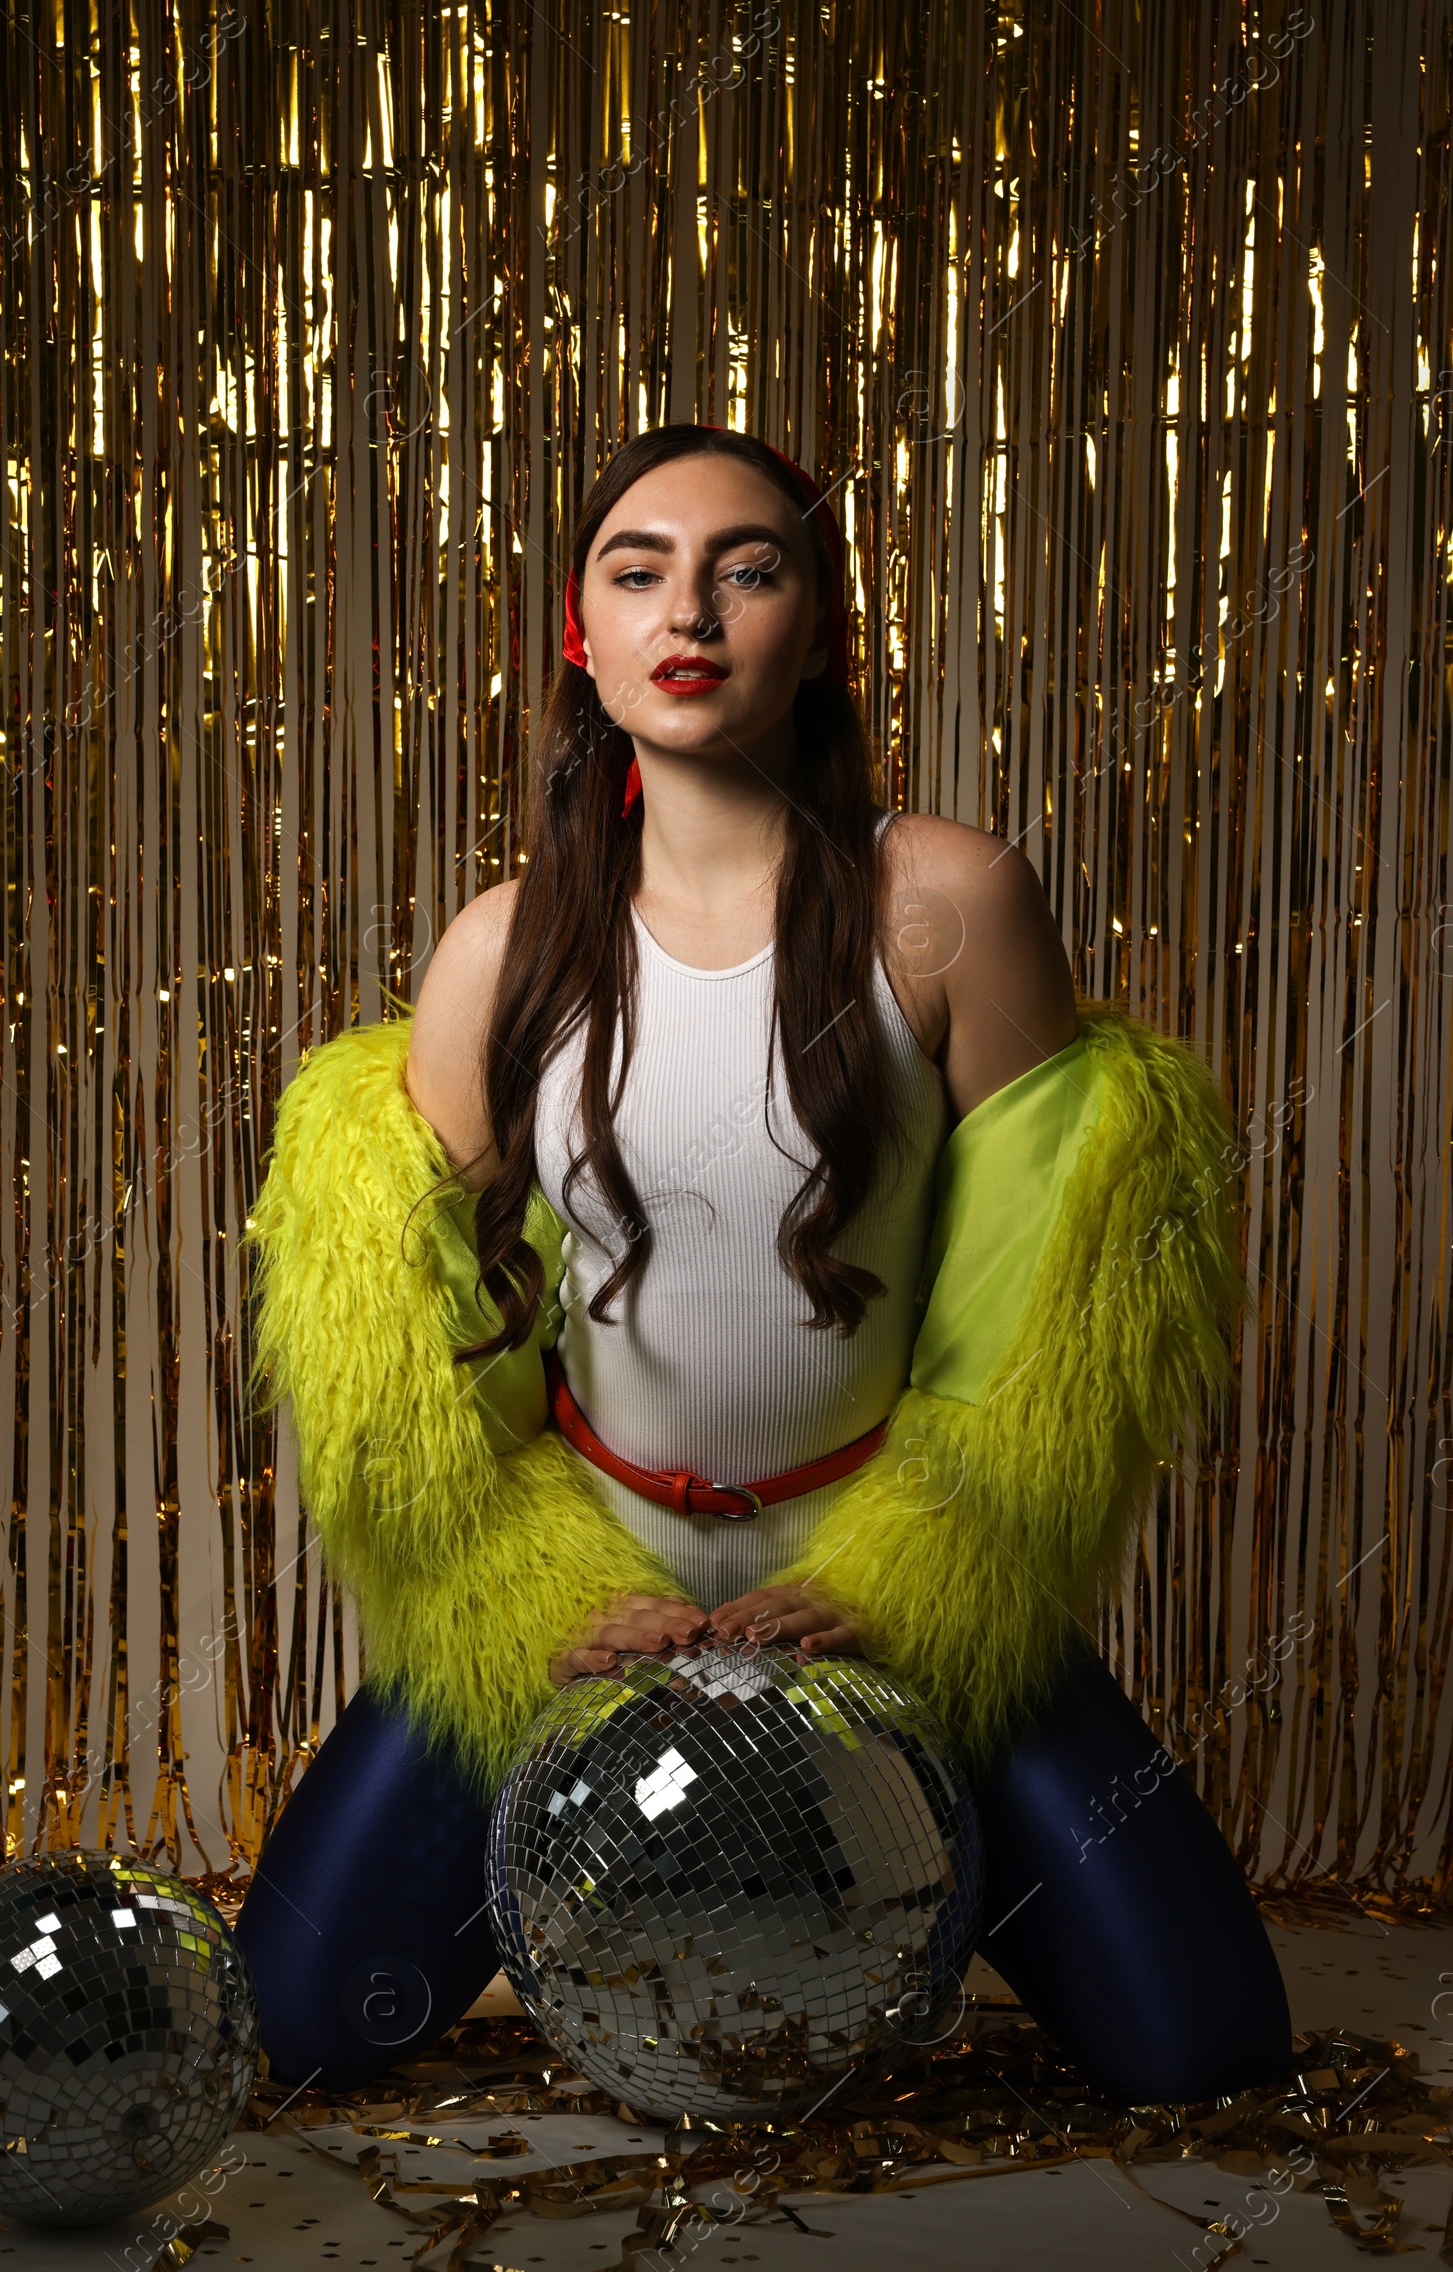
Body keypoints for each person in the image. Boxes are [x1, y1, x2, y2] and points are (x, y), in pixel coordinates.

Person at [233, 422, 1292, 2102]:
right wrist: (533, 1596)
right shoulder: (501, 949)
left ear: (822, 622)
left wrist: (919, 1573)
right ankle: (622, 1860)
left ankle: (854, 1867)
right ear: (582, 635)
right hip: (595, 1581)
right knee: (289, 2027)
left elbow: (1043, 1307)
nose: (693, 610)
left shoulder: (949, 902)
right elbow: (419, 1345)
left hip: (886, 1575)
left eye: (751, 566)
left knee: (1205, 2048)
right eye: (638, 570)